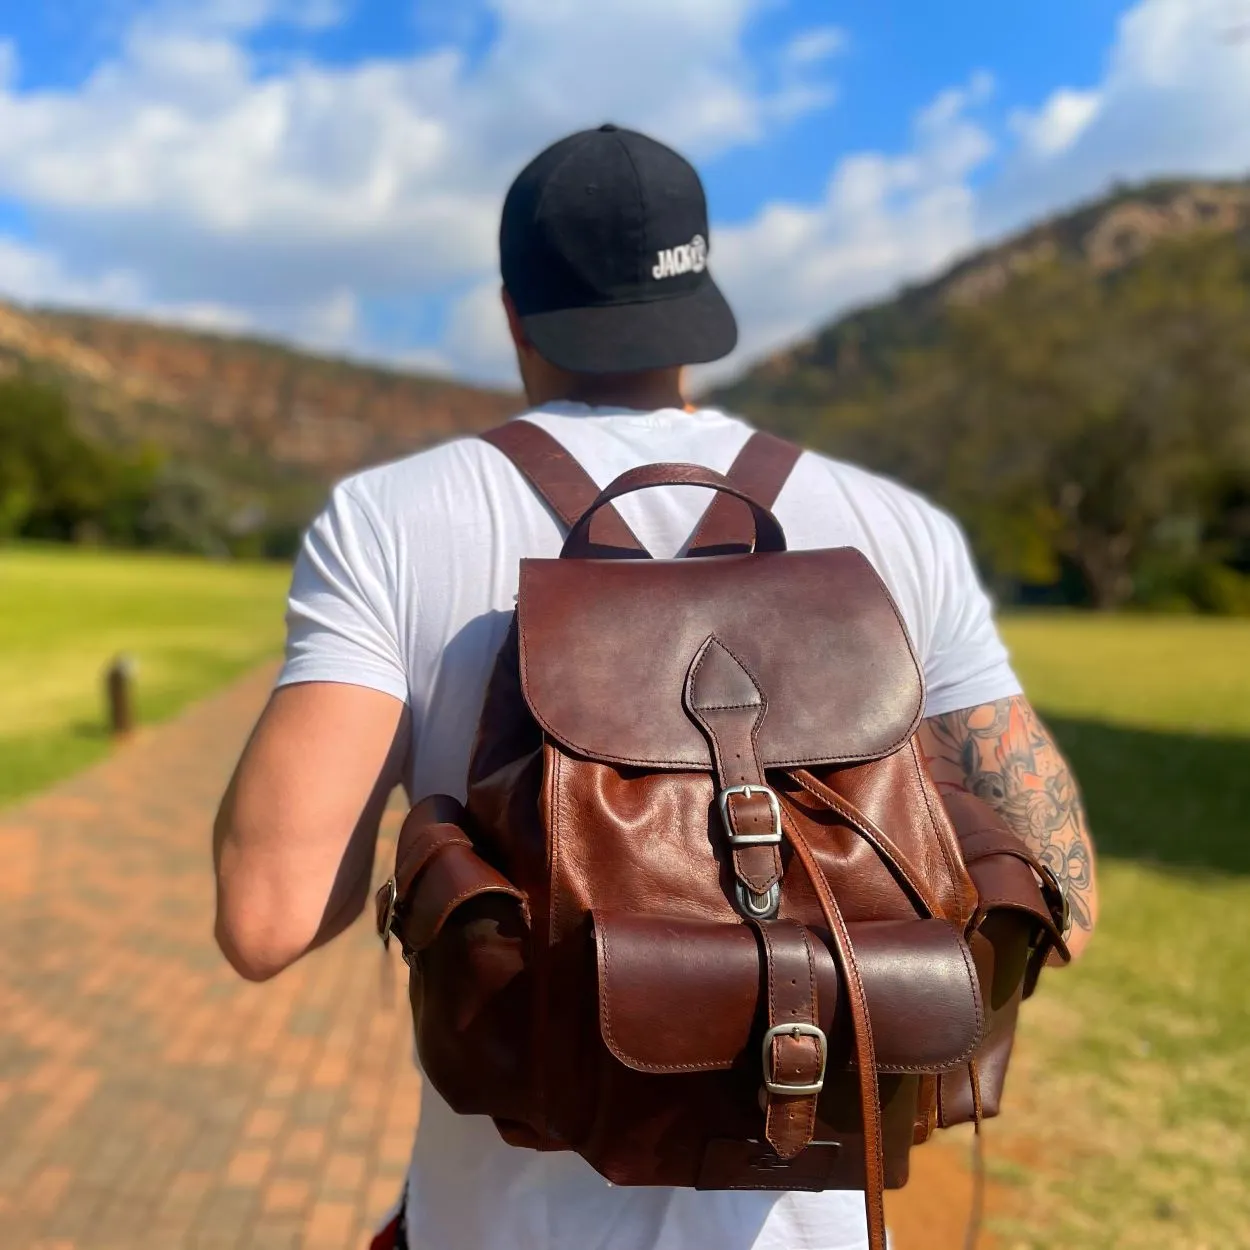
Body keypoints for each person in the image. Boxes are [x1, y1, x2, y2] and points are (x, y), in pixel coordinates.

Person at [213, 124, 1098, 1250]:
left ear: (514, 311)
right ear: (698, 305)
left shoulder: (388, 520)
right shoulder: (894, 529)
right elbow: (1064, 900)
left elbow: (266, 920)